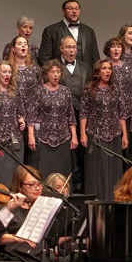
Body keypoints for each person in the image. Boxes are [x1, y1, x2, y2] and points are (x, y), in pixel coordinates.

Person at [80, 59, 127, 200]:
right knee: (97, 169)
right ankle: (97, 200)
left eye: (109, 68)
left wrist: (124, 134)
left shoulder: (116, 88)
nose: (107, 71)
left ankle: (114, 199)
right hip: (95, 134)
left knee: (113, 169)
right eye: (104, 68)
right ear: (97, 71)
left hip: (114, 134)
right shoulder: (89, 88)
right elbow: (83, 112)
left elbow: (121, 113)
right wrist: (83, 133)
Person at [28, 60, 78, 185]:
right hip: (44, 139)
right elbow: (31, 116)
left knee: (62, 173)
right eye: (53, 72)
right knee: (45, 173)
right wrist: (31, 136)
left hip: (63, 139)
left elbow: (70, 116)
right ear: (46, 74)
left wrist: (74, 136)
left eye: (58, 72)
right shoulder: (39, 91)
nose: (56, 75)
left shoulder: (65, 91)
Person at [0, 60, 26, 185]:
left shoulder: (15, 91)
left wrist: (21, 119)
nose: (7, 75)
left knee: (15, 173)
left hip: (14, 138)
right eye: (4, 72)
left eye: (9, 72)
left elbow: (20, 110)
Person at [58, 36, 91, 192]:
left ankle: (81, 187)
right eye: (68, 47)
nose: (72, 50)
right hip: (60, 117)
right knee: (67, 153)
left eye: (74, 47)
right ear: (61, 49)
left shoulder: (85, 68)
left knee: (82, 152)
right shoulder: (54, 67)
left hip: (82, 116)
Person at [39, 0, 100, 66]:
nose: (74, 11)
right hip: (61, 74)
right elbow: (44, 58)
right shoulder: (51, 30)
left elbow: (95, 58)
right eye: (70, 9)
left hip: (86, 74)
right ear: (63, 11)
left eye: (77, 9)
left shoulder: (89, 31)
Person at [106, 37, 132, 161]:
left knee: (128, 147)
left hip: (129, 112)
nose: (116, 49)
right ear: (108, 50)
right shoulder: (104, 66)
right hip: (111, 113)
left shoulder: (128, 67)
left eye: (118, 47)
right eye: (113, 46)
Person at [7, 35, 43, 110]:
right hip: (12, 110)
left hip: (32, 111)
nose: (23, 45)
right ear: (13, 49)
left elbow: (41, 90)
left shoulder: (35, 68)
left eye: (25, 44)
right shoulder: (7, 68)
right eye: (19, 44)